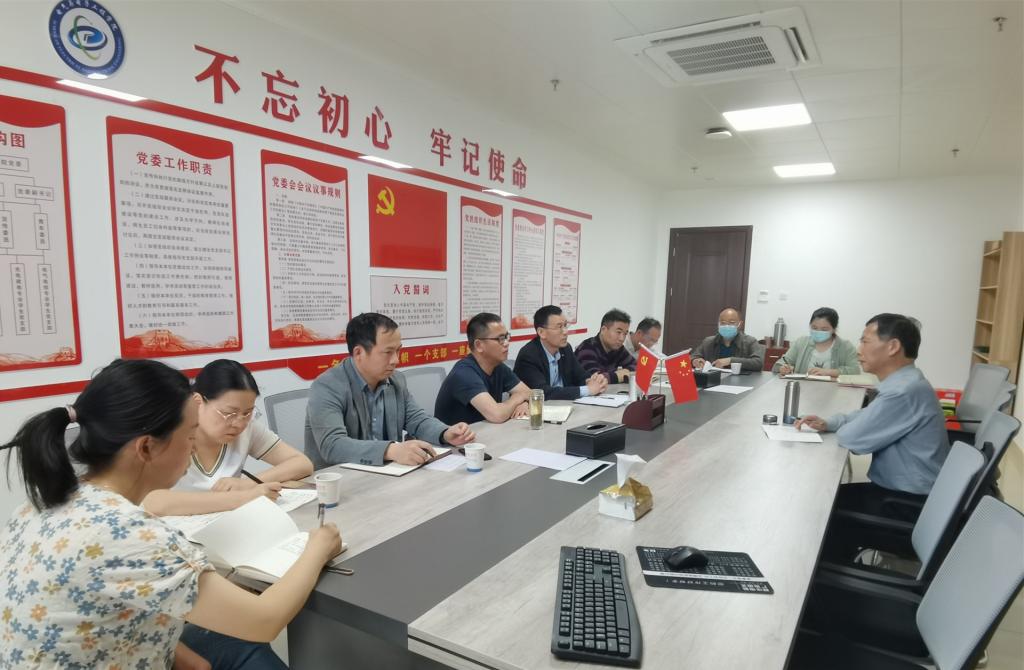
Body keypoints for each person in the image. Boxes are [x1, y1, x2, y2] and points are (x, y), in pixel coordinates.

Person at [0, 359, 341, 669]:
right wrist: (318, 547)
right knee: (246, 641)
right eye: (190, 436)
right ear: (146, 447)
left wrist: (188, 660)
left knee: (232, 647)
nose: (193, 448)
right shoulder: (131, 534)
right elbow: (264, 620)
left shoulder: (38, 506)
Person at [795, 314, 950, 520]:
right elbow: (867, 415)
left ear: (893, 347)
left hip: (907, 504)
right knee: (820, 497)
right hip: (906, 494)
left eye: (865, 341)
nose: (859, 350)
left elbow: (851, 438)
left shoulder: (902, 392)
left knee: (815, 506)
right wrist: (830, 423)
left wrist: (845, 427)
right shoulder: (907, 382)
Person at [143, 359, 314, 517]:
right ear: (198, 402)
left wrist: (248, 483)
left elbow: (302, 463)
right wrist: (243, 498)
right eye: (228, 413)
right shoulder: (171, 433)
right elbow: (153, 501)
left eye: (248, 412)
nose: (239, 423)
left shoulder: (247, 427)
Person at [305, 313, 476, 469]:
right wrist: (390, 450)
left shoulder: (396, 380)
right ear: (359, 353)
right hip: (340, 480)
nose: (396, 360)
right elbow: (333, 445)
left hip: (387, 474)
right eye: (387, 352)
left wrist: (445, 433)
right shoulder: (327, 386)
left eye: (398, 350)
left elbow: (416, 418)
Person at [434, 313, 532, 425]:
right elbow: (497, 415)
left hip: (487, 431)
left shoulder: (497, 366)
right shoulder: (464, 374)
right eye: (500, 339)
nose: (506, 343)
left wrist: (523, 403)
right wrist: (518, 398)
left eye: (506, 337)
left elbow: (529, 393)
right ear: (479, 345)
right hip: (459, 435)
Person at [513, 305, 607, 400]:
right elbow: (543, 392)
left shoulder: (565, 348)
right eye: (559, 327)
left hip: (565, 405)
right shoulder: (529, 355)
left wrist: (592, 381)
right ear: (541, 332)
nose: (565, 332)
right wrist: (587, 390)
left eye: (565, 325)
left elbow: (580, 375)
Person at [773, 308, 860, 378]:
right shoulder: (801, 342)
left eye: (824, 329)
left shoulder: (846, 347)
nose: (818, 332)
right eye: (814, 328)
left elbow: (855, 371)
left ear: (834, 329)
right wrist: (783, 368)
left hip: (834, 391)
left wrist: (828, 372)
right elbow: (780, 364)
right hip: (803, 389)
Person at [691, 307, 765, 372]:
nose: (727, 325)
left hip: (741, 381)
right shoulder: (708, 342)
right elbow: (693, 357)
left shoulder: (750, 341)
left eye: (731, 322)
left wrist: (730, 360)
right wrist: (695, 361)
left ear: (740, 324)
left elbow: (758, 363)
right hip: (713, 380)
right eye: (723, 323)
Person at [574, 308, 637, 383]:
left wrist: (623, 373)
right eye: (618, 332)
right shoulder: (587, 349)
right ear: (603, 330)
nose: (622, 338)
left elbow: (637, 366)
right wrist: (619, 375)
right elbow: (596, 380)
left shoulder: (618, 349)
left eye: (625, 334)